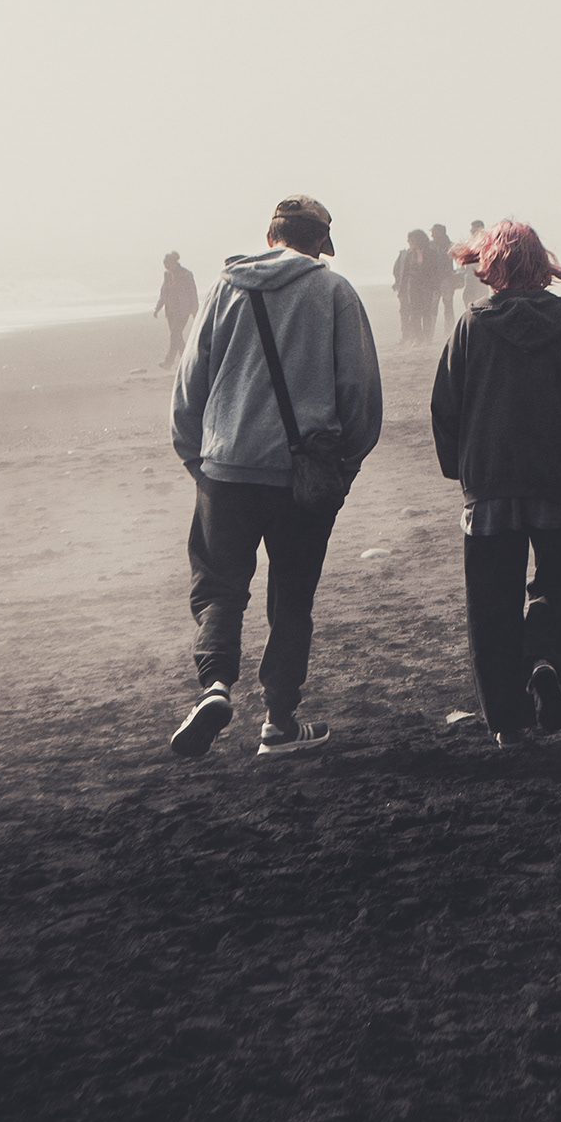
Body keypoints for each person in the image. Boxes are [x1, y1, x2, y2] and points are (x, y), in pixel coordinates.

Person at [168, 195, 383, 759]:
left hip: (226, 470)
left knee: (220, 585)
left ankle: (215, 686)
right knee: (291, 596)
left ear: (271, 237)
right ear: (320, 244)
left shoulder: (224, 287)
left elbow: (190, 382)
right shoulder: (334, 291)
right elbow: (358, 389)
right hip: (302, 476)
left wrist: (198, 457)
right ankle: (279, 722)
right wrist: (347, 463)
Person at [431, 221, 561, 748]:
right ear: (541, 264)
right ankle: (545, 662)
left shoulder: (472, 325)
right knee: (557, 586)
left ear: (489, 266)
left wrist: (461, 471)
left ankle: (509, 724)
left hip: (490, 487)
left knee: (491, 604)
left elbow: (445, 407)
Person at [154, 250, 200, 369]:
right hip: (170, 311)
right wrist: (158, 308)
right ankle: (186, 362)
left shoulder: (186, 275)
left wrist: (195, 310)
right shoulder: (167, 275)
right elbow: (163, 293)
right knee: (177, 337)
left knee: (175, 335)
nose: (168, 268)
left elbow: (193, 293)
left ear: (174, 263)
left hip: (182, 311)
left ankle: (170, 362)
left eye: (169, 266)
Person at [429, 223, 459, 336]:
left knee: (448, 305)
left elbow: (458, 263)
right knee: (433, 306)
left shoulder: (450, 246)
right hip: (433, 281)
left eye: (434, 233)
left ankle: (449, 331)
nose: (432, 235)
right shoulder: (430, 246)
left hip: (446, 280)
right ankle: (430, 332)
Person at [460, 221, 489, 310]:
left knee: (481, 300)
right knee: (467, 298)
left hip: (480, 277)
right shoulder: (470, 243)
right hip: (469, 277)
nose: (473, 232)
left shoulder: (486, 242)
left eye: (475, 229)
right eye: (472, 230)